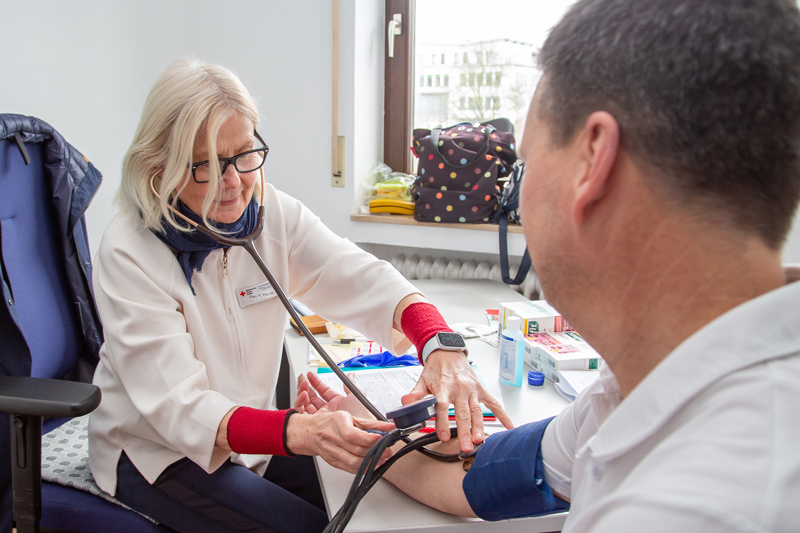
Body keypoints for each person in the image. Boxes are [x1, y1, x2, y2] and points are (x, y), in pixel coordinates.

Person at [295, 0, 800, 531]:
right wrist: (370, 430)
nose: (520, 193)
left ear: (592, 162)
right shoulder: (638, 384)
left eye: (526, 164)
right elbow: (479, 481)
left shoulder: (697, 506)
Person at [87, 58, 511, 533]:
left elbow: (361, 276)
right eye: (205, 164)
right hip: (159, 454)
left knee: (372, 509)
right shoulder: (130, 251)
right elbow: (179, 409)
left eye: (245, 155)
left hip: (251, 438)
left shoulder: (270, 214)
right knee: (319, 526)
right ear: (157, 166)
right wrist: (299, 430)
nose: (234, 184)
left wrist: (439, 345)